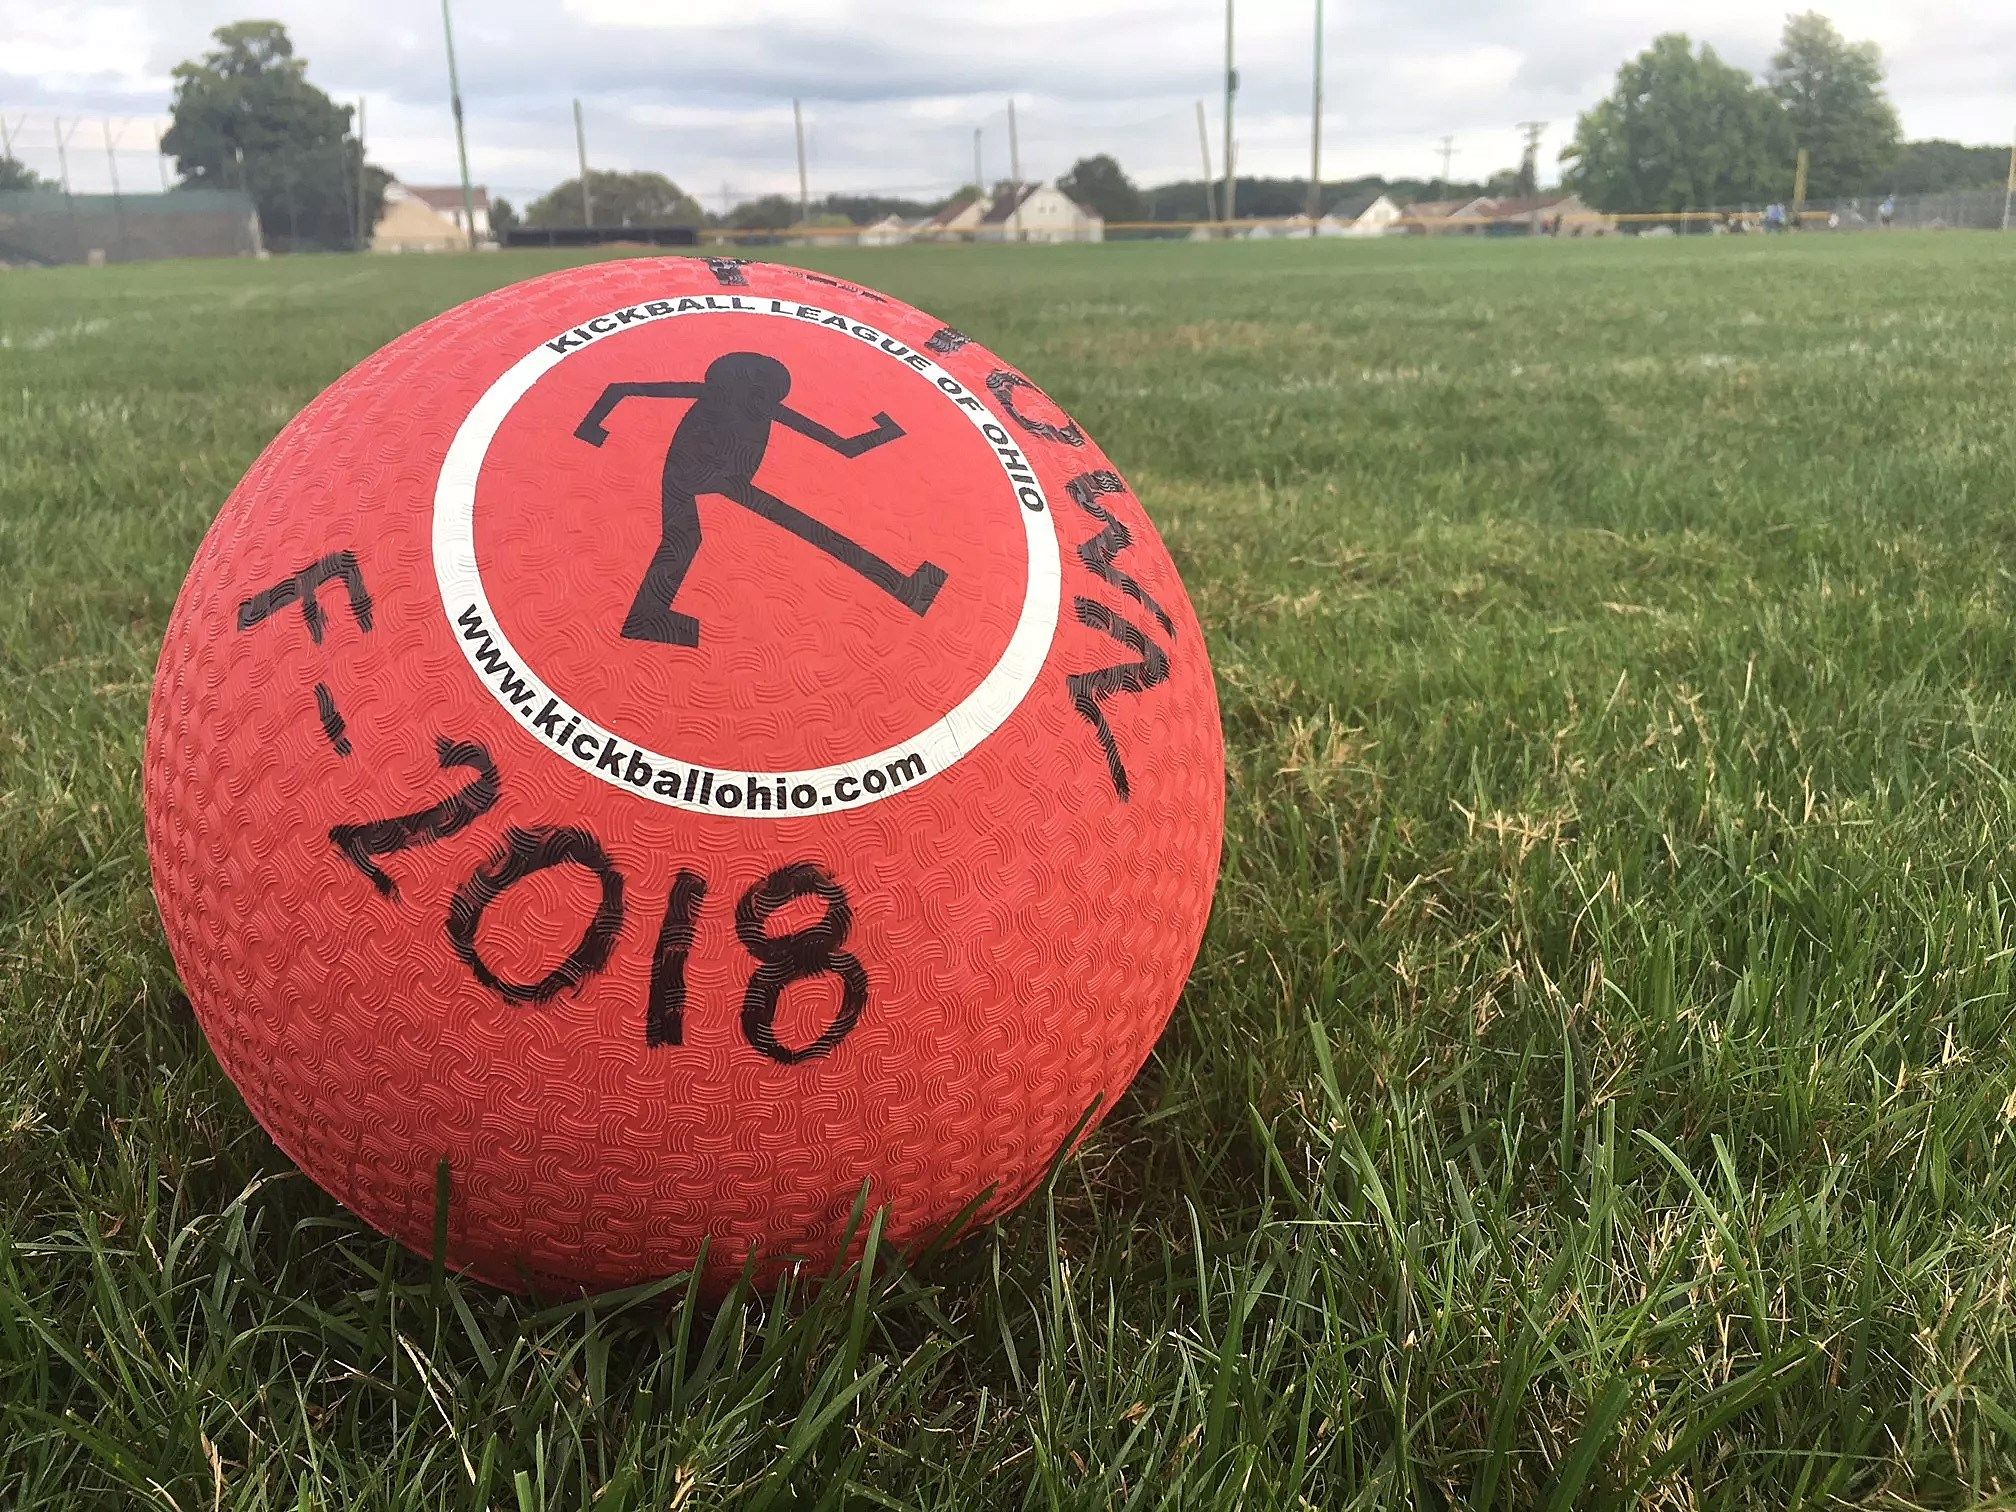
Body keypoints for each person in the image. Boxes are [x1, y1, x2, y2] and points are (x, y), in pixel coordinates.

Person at [574, 351, 948, 647]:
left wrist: (886, 432)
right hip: (695, 472)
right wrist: (592, 427)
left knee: (688, 538)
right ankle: (902, 586)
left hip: (721, 475)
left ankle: (647, 617)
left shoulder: (757, 406)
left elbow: (843, 446)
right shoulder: (726, 397)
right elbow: (623, 389)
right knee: (698, 537)